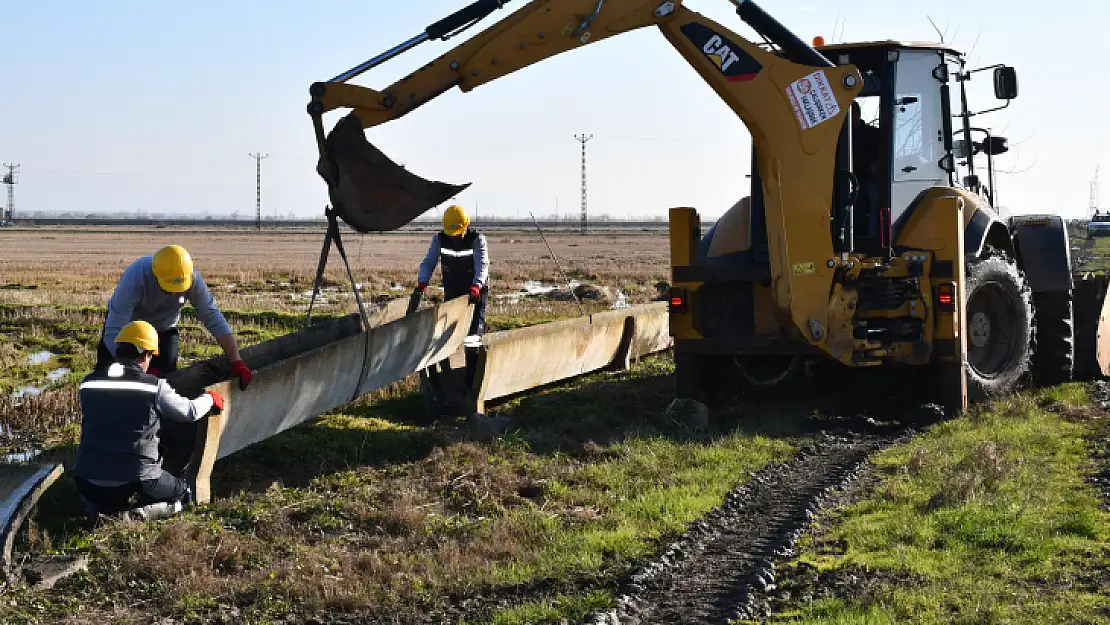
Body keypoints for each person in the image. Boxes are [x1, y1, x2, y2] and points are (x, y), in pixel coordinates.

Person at [74, 320, 226, 518]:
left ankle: (96, 510)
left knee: (103, 492)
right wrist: (209, 398)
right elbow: (189, 412)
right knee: (183, 493)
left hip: (86, 481)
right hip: (136, 479)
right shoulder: (154, 386)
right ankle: (136, 516)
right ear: (146, 354)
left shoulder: (88, 383)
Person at [94, 244, 253, 389]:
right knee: (108, 378)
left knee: (165, 382)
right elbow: (114, 330)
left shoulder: (192, 279)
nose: (173, 293)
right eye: (168, 288)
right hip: (128, 334)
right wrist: (134, 370)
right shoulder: (135, 278)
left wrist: (236, 361)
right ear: (155, 274)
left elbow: (213, 317)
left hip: (164, 330)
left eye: (178, 289)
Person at [416, 204, 490, 341]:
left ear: (466, 225)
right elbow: (429, 262)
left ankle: (472, 359)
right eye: (451, 235)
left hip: (474, 291)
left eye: (457, 234)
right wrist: (422, 281)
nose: (454, 238)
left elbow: (482, 265)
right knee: (447, 333)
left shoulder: (477, 240)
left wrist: (477, 285)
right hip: (452, 288)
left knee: (473, 335)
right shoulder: (439, 239)